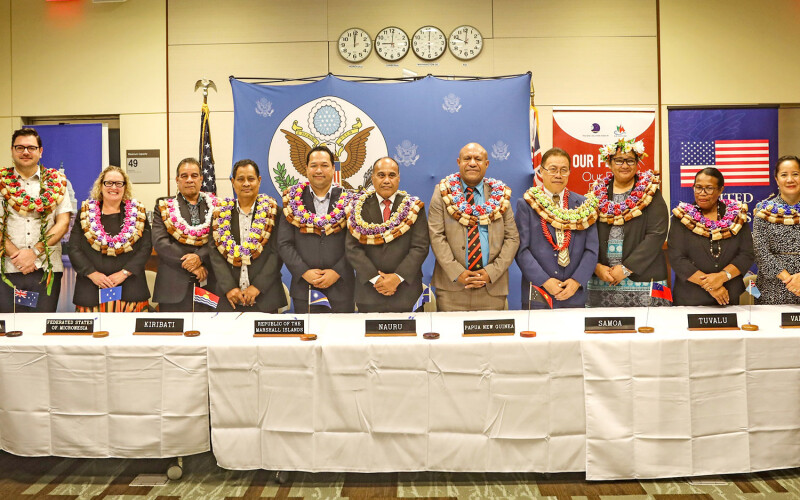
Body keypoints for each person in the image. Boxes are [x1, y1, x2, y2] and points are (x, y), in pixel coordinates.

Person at [428, 142, 519, 311]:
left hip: (492, 287)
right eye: (467, 158)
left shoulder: (500, 195)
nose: (472, 163)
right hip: (452, 289)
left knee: (491, 338)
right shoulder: (442, 192)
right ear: (458, 162)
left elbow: (512, 238)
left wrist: (491, 272)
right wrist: (457, 272)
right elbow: (436, 236)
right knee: (451, 336)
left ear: (486, 164)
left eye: (478, 159)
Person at [587, 138, 670, 307]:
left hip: (645, 280)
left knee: (652, 330)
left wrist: (626, 268)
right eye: (618, 160)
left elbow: (656, 235)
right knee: (603, 332)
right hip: (603, 279)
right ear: (609, 162)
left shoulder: (651, 191)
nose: (624, 165)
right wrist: (595, 266)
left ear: (637, 163)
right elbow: (586, 233)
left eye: (630, 160)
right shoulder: (595, 193)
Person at [516, 148, 599, 308]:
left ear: (569, 172)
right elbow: (521, 250)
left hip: (574, 293)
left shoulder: (584, 205)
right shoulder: (527, 204)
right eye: (553, 169)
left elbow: (592, 249)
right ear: (541, 171)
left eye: (563, 170)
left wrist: (576, 281)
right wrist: (544, 281)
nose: (558, 175)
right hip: (538, 292)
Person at [0, 128, 72, 312]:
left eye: (31, 147)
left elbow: (63, 223)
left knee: (41, 330)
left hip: (46, 269)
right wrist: (18, 257)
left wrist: (34, 253)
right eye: (20, 147)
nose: (25, 152)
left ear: (40, 151)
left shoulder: (58, 181)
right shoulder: (1, 181)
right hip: (7, 268)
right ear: (12, 150)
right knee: (9, 331)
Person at [345, 157, 430, 312]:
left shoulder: (413, 207)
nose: (386, 180)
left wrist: (397, 278)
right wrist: (376, 279)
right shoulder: (357, 207)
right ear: (372, 178)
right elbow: (352, 248)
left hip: (407, 292)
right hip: (369, 293)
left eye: (391, 175)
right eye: (381, 175)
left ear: (398, 178)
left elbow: (420, 247)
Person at [278, 145, 356, 313]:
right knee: (307, 337)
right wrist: (304, 271)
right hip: (304, 289)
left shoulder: (351, 201)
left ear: (333, 168)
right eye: (314, 165)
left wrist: (337, 271)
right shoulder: (292, 200)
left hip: (342, 288)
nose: (319, 170)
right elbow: (284, 244)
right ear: (306, 169)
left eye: (324, 165)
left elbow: (356, 243)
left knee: (342, 339)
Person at [67, 166, 152, 312]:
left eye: (119, 183)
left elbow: (146, 248)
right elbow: (74, 248)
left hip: (131, 289)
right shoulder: (84, 214)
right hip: (91, 289)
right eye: (109, 183)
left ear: (125, 187)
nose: (114, 187)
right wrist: (92, 274)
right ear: (101, 185)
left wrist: (124, 273)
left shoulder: (138, 214)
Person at [208, 159, 286, 313]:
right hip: (228, 298)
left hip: (265, 296)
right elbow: (214, 252)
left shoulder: (274, 212)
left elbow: (278, 252)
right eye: (240, 179)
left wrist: (258, 287)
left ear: (259, 180)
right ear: (232, 181)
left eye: (251, 179)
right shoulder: (220, 213)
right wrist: (229, 287)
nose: (246, 184)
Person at [668, 167, 753, 306]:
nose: (702, 193)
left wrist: (721, 277)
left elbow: (746, 254)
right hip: (690, 297)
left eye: (709, 188)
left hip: (729, 295)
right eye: (698, 187)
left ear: (720, 190)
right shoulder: (682, 217)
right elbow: (677, 258)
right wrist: (711, 286)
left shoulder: (737, 215)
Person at [152, 157, 217, 311]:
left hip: (209, 283)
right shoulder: (163, 206)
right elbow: (160, 242)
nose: (189, 180)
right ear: (177, 180)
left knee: (209, 332)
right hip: (172, 286)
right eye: (184, 176)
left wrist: (200, 257)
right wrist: (192, 265)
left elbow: (219, 240)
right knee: (173, 334)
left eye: (194, 176)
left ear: (201, 179)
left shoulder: (217, 206)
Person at [753, 155, 800, 304]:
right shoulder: (764, 210)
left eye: (795, 174)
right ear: (776, 179)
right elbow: (760, 252)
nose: (790, 180)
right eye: (784, 175)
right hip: (772, 288)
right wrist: (790, 281)